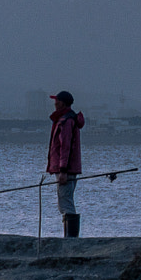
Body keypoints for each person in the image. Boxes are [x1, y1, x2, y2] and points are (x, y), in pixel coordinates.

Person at [47, 91, 85, 237]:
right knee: (65, 201)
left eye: (56, 101)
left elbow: (65, 147)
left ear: (62, 103)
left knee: (65, 202)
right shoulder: (66, 119)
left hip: (66, 170)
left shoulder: (66, 121)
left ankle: (70, 240)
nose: (55, 103)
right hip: (68, 169)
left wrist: (63, 170)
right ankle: (69, 238)